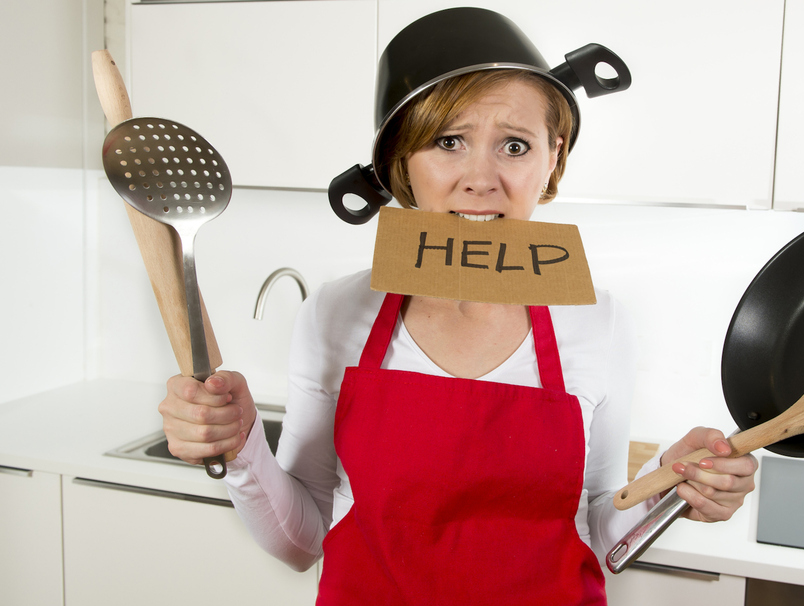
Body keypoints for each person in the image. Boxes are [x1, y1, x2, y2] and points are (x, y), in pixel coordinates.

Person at [157, 8, 757, 605]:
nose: (481, 178)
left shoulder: (597, 318)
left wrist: (670, 488)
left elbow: (595, 530)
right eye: (449, 142)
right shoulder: (337, 312)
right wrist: (240, 450)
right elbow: (302, 540)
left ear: (554, 155)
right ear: (403, 165)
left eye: (514, 145)